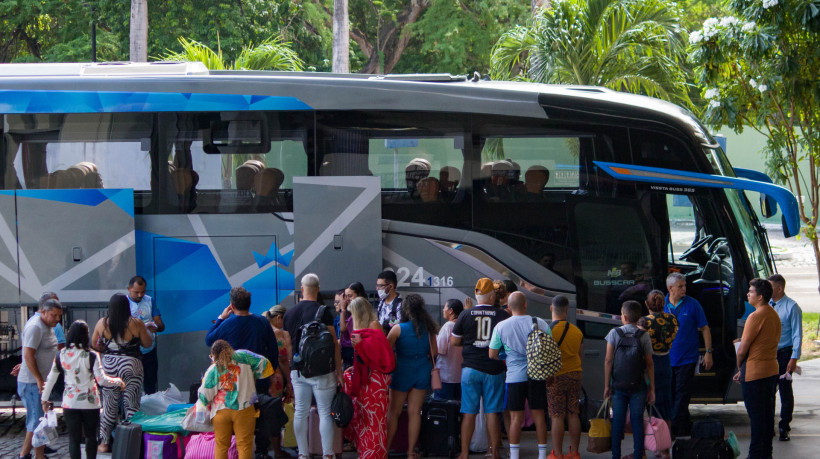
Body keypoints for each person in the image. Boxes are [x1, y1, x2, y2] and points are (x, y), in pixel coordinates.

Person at [206, 286, 280, 459]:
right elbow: (273, 352)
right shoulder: (262, 322)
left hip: (231, 381)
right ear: (249, 303)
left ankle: (232, 450)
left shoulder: (226, 324)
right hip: (257, 380)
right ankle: (261, 451)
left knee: (233, 417)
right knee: (258, 416)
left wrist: (220, 318)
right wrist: (268, 374)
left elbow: (209, 339)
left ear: (231, 305)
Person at [41, 321, 125, 459]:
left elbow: (51, 379)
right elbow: (101, 380)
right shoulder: (91, 355)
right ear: (86, 335)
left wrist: (44, 399)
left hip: (70, 402)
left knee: (73, 439)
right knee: (91, 437)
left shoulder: (60, 355)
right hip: (90, 403)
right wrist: (118, 381)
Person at [282, 273, 342, 459]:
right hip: (323, 371)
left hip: (298, 370)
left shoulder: (289, 313)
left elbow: (288, 346)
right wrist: (338, 370)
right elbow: (333, 343)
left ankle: (303, 454)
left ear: (302, 289)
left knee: (301, 411)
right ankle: (328, 454)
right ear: (318, 289)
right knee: (324, 412)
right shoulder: (323, 311)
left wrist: (292, 367)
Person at [451, 278, 511, 459]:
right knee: (493, 412)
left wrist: (469, 342)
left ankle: (463, 454)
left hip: (470, 369)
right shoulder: (502, 315)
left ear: (477, 296)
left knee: (469, 412)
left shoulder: (465, 314)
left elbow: (454, 341)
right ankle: (494, 453)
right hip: (494, 369)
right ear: (492, 296)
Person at [488, 292, 550, 459]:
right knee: (539, 416)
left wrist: (505, 355)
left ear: (508, 307)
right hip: (536, 375)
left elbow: (492, 354)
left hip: (514, 377)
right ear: (525, 305)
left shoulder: (501, 327)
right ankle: (542, 455)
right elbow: (549, 350)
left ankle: (514, 455)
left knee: (515, 418)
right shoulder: (540, 323)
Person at [92, 293, 152, 453]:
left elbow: (94, 344)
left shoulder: (102, 323)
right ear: (127, 306)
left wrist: (106, 349)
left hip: (109, 366)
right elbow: (147, 343)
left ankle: (104, 443)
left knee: (109, 406)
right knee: (131, 405)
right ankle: (133, 442)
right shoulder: (136, 323)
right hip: (131, 364)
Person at [196, 340, 275, 459]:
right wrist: (254, 375)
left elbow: (204, 394)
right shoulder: (244, 356)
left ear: (214, 354)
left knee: (221, 446)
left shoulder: (214, 368)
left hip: (220, 412)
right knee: (244, 445)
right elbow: (265, 364)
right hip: (245, 409)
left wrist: (202, 409)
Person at [385, 294, 439, 458]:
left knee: (393, 413)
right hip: (422, 370)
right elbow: (434, 352)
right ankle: (410, 452)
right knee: (415, 413)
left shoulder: (398, 329)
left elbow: (386, 351)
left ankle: (384, 450)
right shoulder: (429, 329)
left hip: (402, 371)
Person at [734, 279, 780, 459]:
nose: (748, 294)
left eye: (751, 291)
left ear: (760, 297)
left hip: (755, 373)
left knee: (757, 421)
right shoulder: (772, 313)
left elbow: (743, 349)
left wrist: (740, 367)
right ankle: (766, 455)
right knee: (766, 420)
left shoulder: (755, 316)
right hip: (770, 370)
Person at [344, 297, 394, 458]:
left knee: (375, 418)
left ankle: (374, 453)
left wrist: (360, 345)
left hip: (374, 378)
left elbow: (380, 354)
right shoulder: (368, 327)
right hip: (367, 378)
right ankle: (368, 451)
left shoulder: (373, 325)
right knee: (366, 417)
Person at [604, 300, 655, 459]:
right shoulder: (644, 335)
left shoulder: (614, 333)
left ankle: (616, 456)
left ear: (624, 316)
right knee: (637, 421)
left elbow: (608, 361)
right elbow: (649, 364)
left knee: (617, 421)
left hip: (618, 385)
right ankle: (638, 455)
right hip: (638, 385)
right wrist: (652, 388)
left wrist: (607, 385)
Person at [664, 272, 712, 437]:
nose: (684, 289)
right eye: (680, 287)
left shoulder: (693, 304)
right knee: (670, 395)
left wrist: (708, 352)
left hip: (687, 358)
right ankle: (684, 426)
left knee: (682, 394)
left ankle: (673, 429)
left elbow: (705, 328)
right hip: (666, 359)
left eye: (685, 286)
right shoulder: (661, 304)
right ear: (670, 288)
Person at [17, 298, 63, 459]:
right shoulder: (35, 327)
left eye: (59, 316)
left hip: (42, 381)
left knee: (40, 419)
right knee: (37, 421)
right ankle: (33, 455)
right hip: (32, 382)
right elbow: (28, 355)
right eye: (53, 315)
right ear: (43, 311)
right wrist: (38, 379)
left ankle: (31, 454)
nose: (57, 319)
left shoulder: (47, 325)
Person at [637, 290, 678, 459]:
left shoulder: (644, 322)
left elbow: (639, 344)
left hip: (649, 366)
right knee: (665, 408)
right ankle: (665, 451)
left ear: (647, 304)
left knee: (647, 409)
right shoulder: (673, 319)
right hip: (666, 363)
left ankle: (648, 449)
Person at [545, 295, 584, 459]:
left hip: (556, 377)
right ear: (567, 310)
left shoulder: (548, 331)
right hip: (575, 374)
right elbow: (579, 355)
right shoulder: (577, 331)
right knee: (573, 413)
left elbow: (544, 357)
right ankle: (574, 452)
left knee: (557, 415)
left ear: (551, 308)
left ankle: (557, 454)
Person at [768, 273, 802, 441]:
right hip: (768, 354)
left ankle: (784, 427)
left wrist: (794, 357)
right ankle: (768, 426)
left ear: (779, 289)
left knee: (785, 390)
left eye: (770, 287)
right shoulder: (766, 305)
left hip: (784, 353)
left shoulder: (791, 307)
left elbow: (797, 334)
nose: (767, 290)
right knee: (768, 390)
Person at [263, 304, 295, 458]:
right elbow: (283, 358)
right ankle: (277, 451)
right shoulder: (279, 333)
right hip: (274, 378)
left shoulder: (259, 331)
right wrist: (289, 382)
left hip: (258, 378)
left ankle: (262, 450)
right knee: (275, 413)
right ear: (277, 318)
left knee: (261, 413)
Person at [126, 275, 164, 395]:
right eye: (136, 292)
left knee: (150, 384)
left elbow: (161, 325)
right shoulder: (124, 303)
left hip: (148, 350)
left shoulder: (149, 300)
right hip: (130, 351)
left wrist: (156, 327)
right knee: (131, 385)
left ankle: (150, 409)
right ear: (129, 289)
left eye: (142, 292)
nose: (139, 295)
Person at [434, 299, 464, 401]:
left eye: (445, 307)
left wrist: (435, 339)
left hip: (445, 377)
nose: (443, 309)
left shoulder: (448, 326)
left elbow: (440, 350)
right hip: (460, 377)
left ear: (451, 311)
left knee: (443, 409)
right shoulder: (464, 325)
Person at [339, 282, 366, 368]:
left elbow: (343, 329)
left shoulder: (360, 313)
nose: (347, 299)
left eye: (350, 296)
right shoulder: (350, 313)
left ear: (359, 296)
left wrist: (342, 309)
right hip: (347, 354)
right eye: (345, 296)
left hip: (354, 353)